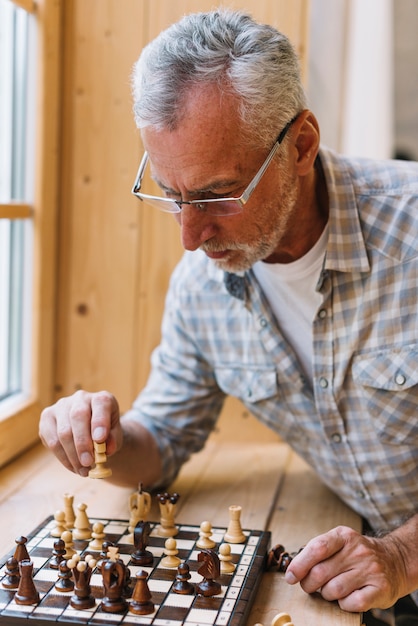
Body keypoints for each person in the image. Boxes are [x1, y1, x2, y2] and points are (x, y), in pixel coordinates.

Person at [39, 8, 418, 624]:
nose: (191, 236)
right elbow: (159, 440)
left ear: (301, 145)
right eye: (172, 194)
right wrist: (97, 435)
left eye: (217, 194)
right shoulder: (200, 286)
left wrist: (403, 556)